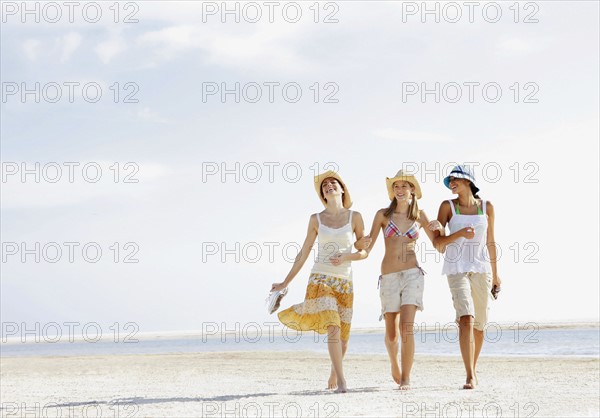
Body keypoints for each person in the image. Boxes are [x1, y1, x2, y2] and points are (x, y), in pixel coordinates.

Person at [271, 170, 367, 393]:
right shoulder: (316, 219)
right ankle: (343, 381)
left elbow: (364, 252)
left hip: (344, 281)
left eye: (333, 183)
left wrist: (347, 256)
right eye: (325, 185)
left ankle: (334, 371)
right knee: (333, 326)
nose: (329, 186)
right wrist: (285, 282)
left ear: (342, 189)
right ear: (323, 194)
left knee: (342, 337)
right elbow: (303, 253)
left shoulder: (356, 217)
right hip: (320, 278)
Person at [355, 170, 443, 390]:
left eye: (405, 186)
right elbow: (367, 248)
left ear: (412, 190)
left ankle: (406, 378)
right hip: (389, 276)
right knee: (392, 333)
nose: (400, 190)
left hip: (413, 274)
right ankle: (394, 362)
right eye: (396, 187)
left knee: (407, 328)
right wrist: (358, 246)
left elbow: (439, 245)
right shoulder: (383, 215)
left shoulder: (420, 216)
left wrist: (441, 228)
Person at [432, 164, 502, 389]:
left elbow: (491, 241)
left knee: (480, 326)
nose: (452, 183)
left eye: (456, 179)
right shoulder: (447, 206)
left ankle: (473, 366)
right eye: (450, 180)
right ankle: (470, 374)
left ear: (468, 181)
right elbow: (438, 244)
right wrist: (459, 233)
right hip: (456, 268)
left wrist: (497, 275)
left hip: (482, 270)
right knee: (466, 317)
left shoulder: (487, 206)